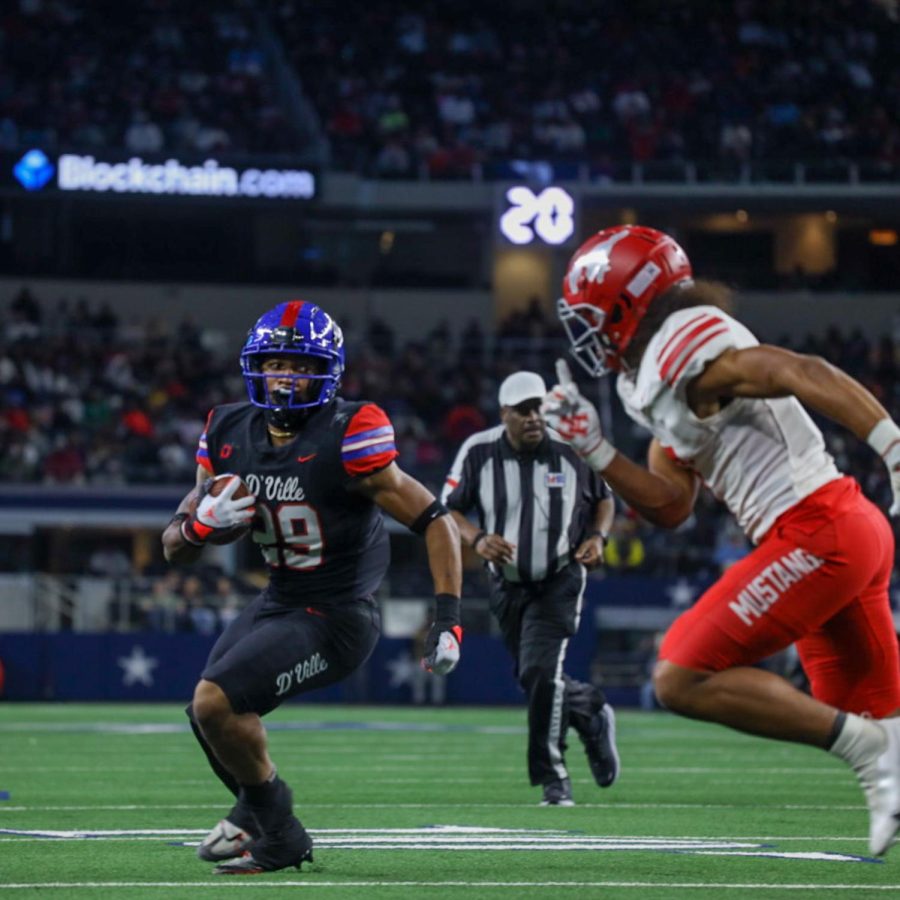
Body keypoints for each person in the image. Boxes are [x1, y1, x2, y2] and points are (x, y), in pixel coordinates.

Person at [542, 224, 900, 855]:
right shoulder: (659, 385)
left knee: (681, 675)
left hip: (818, 529)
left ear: (628, 307)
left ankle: (867, 751)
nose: (588, 334)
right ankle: (879, 753)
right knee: (875, 715)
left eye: (595, 316)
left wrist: (891, 443)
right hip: (842, 529)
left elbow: (798, 369)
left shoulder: (688, 358)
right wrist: (594, 449)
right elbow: (670, 503)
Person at [162, 300, 462, 875]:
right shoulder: (226, 430)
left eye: (300, 365)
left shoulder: (352, 431)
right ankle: (270, 825)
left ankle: (275, 826)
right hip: (279, 599)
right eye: (275, 363)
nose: (285, 376)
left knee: (215, 701)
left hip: (339, 613)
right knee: (206, 715)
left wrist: (447, 615)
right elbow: (175, 544)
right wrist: (200, 525)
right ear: (256, 366)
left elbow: (435, 520)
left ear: (326, 371)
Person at [441, 370, 618, 806]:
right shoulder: (479, 451)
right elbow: (448, 510)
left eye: (538, 408)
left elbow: (605, 497)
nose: (534, 417)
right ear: (505, 414)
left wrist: (598, 537)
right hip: (507, 583)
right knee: (536, 678)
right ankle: (590, 709)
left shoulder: (571, 448)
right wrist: (478, 539)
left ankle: (553, 778)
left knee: (540, 674)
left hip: (560, 575)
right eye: (523, 410)